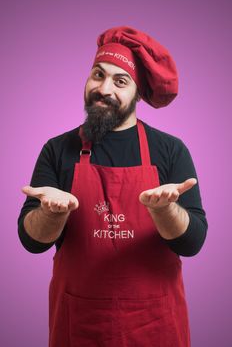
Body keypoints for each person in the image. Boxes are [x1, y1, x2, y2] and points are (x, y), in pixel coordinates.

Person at [18, 26, 208, 347]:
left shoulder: (169, 150)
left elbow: (192, 243)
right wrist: (52, 214)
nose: (104, 88)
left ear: (137, 93)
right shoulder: (57, 149)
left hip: (155, 325)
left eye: (120, 82)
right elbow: (31, 241)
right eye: (98, 74)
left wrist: (165, 211)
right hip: (79, 325)